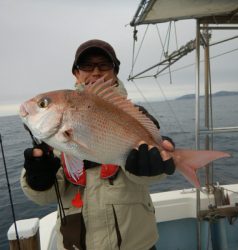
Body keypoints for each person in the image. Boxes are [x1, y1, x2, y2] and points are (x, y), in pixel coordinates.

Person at [21, 39, 176, 250]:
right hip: (76, 243)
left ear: (115, 72)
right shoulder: (49, 137)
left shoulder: (136, 114)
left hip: (134, 243)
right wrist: (37, 179)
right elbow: (45, 196)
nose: (95, 72)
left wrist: (154, 166)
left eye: (103, 65)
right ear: (76, 73)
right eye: (86, 66)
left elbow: (153, 176)